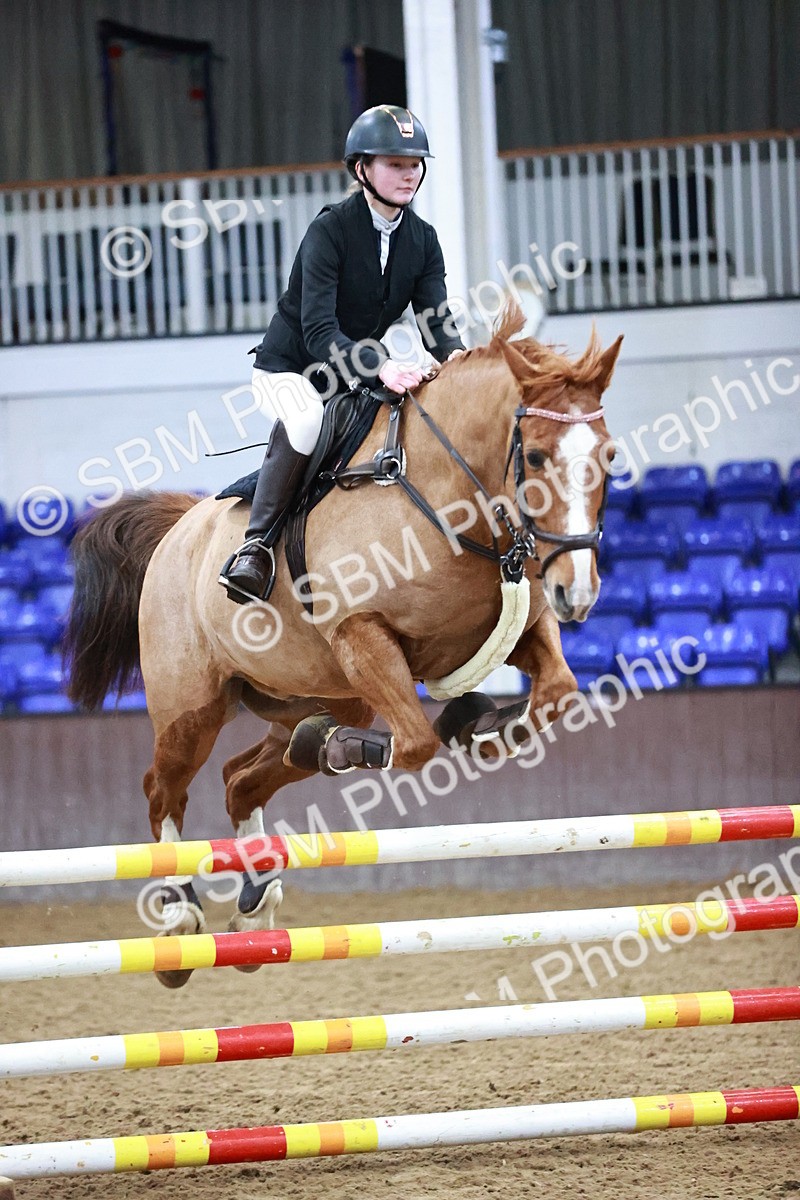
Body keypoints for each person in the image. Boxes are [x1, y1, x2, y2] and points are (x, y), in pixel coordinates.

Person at [220, 103, 466, 605]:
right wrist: (382, 366)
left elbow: (435, 324)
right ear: (362, 170)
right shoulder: (329, 230)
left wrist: (464, 363)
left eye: (416, 162)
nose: (410, 172)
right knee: (307, 420)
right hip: (291, 369)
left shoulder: (422, 240)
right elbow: (317, 331)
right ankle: (255, 547)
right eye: (395, 163)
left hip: (353, 374)